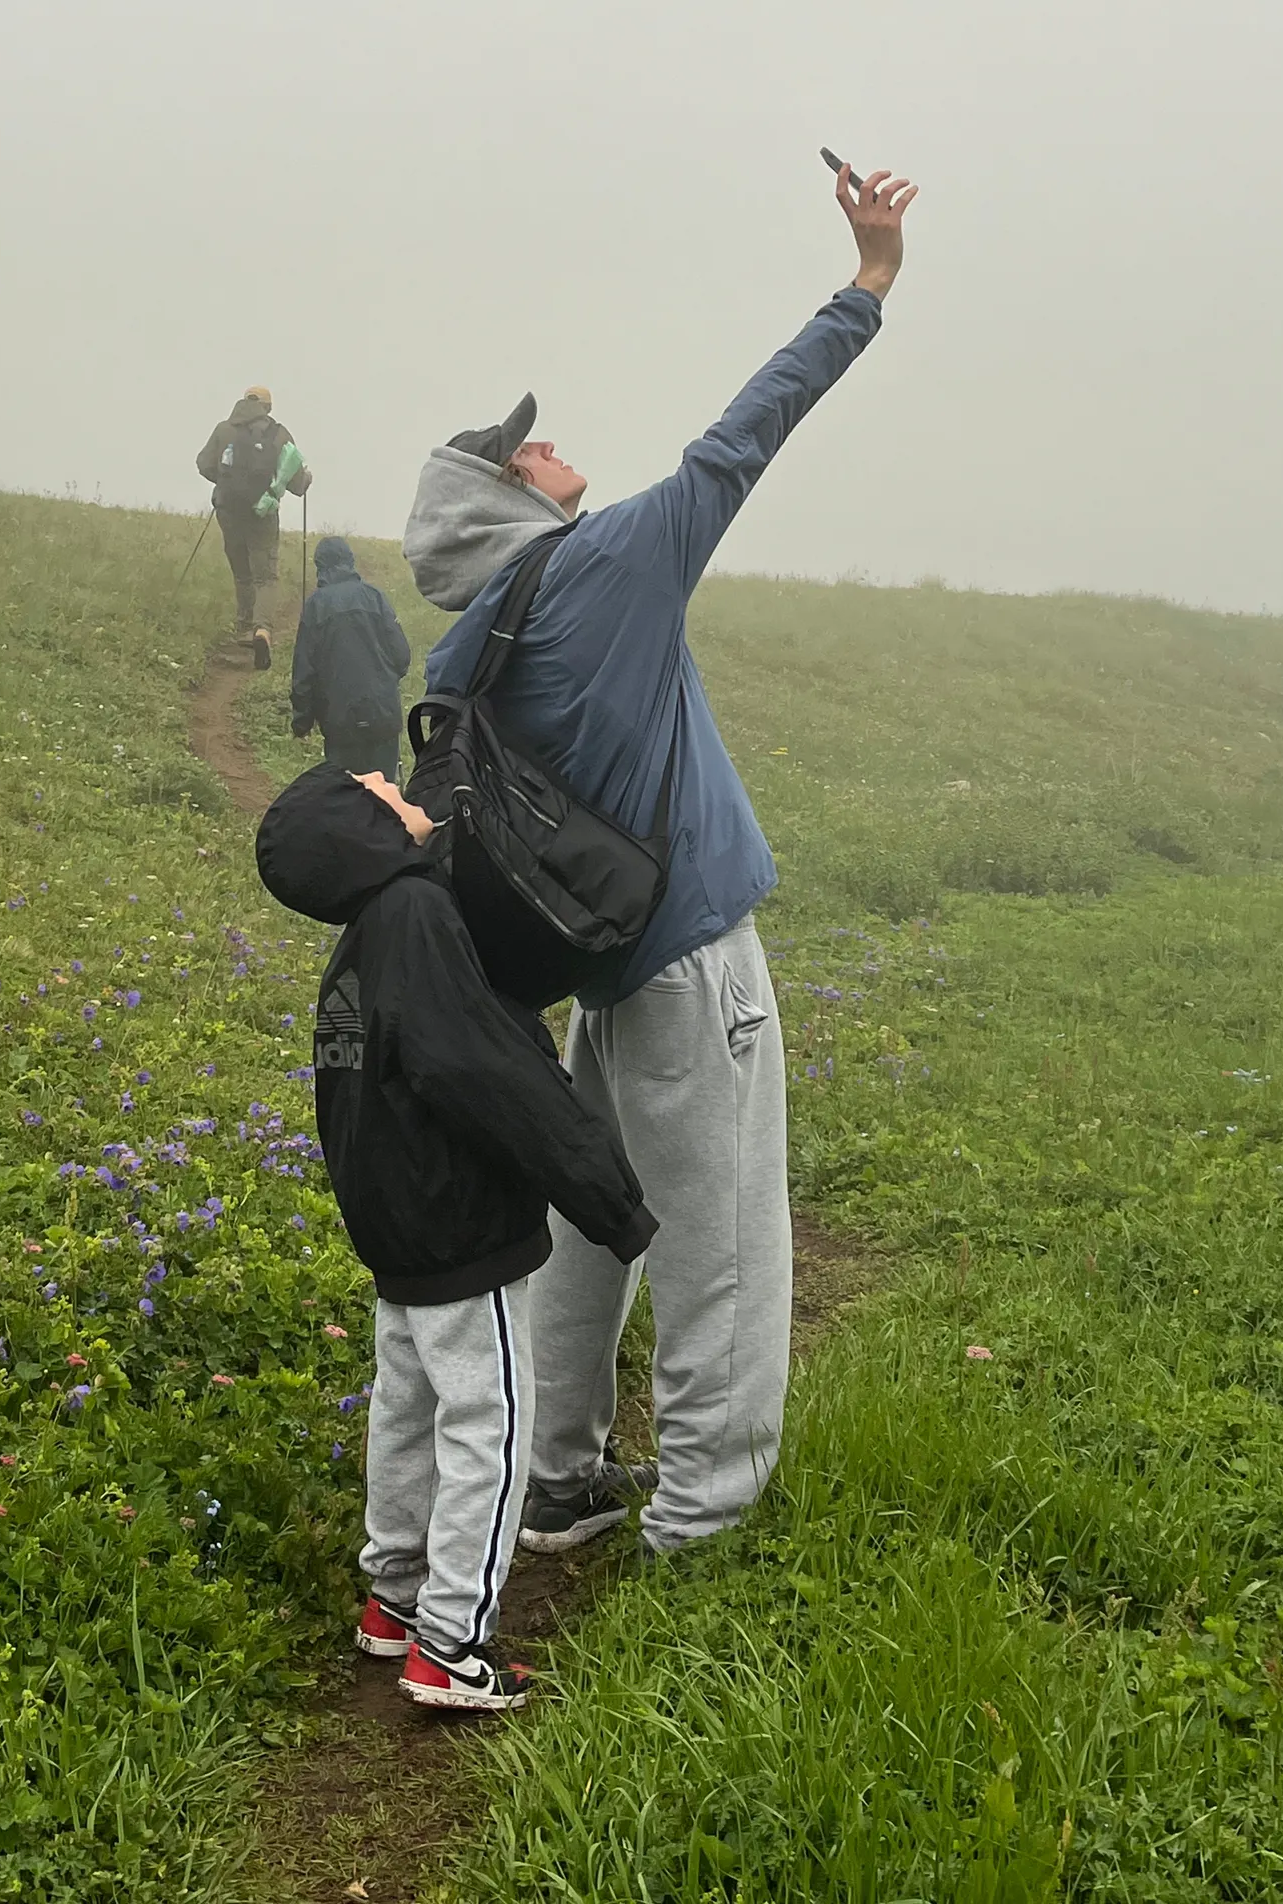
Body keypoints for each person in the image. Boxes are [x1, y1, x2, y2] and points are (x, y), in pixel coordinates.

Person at [400, 160, 916, 1562]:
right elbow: (739, 443)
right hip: (688, 958)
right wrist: (864, 285)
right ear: (505, 500)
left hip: (599, 974)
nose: (554, 445)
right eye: (529, 448)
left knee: (594, 1227)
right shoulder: (611, 563)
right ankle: (709, 1521)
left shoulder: (465, 650)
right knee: (726, 1239)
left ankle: (555, 1480)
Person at [255, 761, 657, 1712]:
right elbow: (489, 1073)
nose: (395, 778)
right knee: (492, 1424)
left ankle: (392, 1600)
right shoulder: (418, 924)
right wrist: (607, 1197)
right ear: (363, 829)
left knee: (405, 1412)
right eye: (376, 786)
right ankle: (451, 1645)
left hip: (396, 1234)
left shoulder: (362, 942)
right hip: (460, 1229)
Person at [194, 386, 312, 643]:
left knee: (241, 571)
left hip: (228, 509)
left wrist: (225, 482)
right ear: (267, 407)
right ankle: (262, 630)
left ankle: (243, 625)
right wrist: (306, 479)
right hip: (263, 512)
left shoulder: (224, 429)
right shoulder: (280, 434)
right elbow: (297, 483)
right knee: (265, 575)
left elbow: (203, 464)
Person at [291, 538, 413, 778]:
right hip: (383, 717)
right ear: (350, 561)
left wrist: (302, 722)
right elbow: (402, 657)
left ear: (320, 567)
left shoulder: (315, 606)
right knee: (385, 797)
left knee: (346, 797)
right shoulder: (375, 597)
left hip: (339, 723)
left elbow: (304, 672)